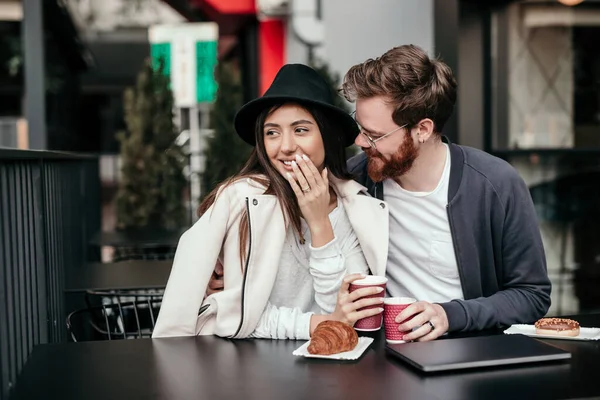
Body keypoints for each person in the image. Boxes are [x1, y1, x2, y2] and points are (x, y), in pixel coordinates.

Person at [152, 64, 390, 340]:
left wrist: (319, 223)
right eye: (272, 132)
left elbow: (343, 318)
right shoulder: (242, 200)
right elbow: (239, 316)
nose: (285, 146)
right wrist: (316, 325)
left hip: (327, 365)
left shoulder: (355, 206)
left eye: (300, 130)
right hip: (244, 366)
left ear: (328, 135)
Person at [342, 44, 551, 341]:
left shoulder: (495, 183)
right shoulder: (355, 180)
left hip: (470, 355)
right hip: (382, 357)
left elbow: (532, 296)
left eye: (375, 135)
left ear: (423, 129)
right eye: (360, 127)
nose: (360, 141)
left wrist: (450, 315)